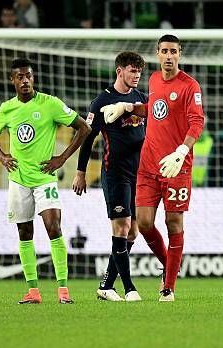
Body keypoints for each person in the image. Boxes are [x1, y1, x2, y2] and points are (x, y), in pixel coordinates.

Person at [101, 34, 204, 302]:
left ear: (179, 54)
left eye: (173, 51)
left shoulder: (190, 86)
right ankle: (171, 264)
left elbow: (196, 122)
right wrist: (128, 107)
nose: (168, 56)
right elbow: (154, 110)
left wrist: (182, 151)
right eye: (164, 51)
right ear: (157, 54)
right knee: (144, 224)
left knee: (173, 222)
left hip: (176, 166)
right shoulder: (154, 80)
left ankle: (168, 286)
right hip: (148, 165)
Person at [0, 58, 91, 304]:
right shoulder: (7, 108)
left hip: (45, 179)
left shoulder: (50, 103)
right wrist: (1, 155)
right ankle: (33, 291)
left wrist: (62, 158)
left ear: (33, 78)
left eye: (29, 76)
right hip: (18, 180)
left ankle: (63, 291)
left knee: (54, 228)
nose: (25, 81)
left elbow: (83, 128)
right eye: (20, 77)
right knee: (24, 232)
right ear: (12, 80)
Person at [73, 51, 147, 302]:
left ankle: (106, 285)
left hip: (139, 173)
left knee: (133, 233)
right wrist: (81, 172)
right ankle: (129, 288)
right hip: (115, 173)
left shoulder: (140, 99)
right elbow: (87, 137)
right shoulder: (101, 102)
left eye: (139, 71)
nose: (136, 75)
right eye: (132, 71)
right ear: (119, 71)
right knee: (122, 226)